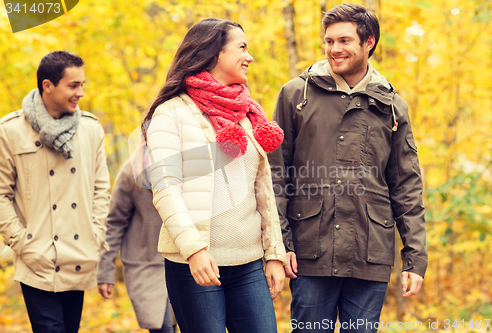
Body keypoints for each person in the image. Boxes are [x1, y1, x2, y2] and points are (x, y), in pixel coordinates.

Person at [268, 4, 427, 333]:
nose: (334, 49)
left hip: (370, 251)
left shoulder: (392, 106)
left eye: (344, 41)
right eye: (328, 41)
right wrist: (281, 245)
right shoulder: (296, 94)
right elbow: (275, 174)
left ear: (369, 42)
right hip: (310, 250)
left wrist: (415, 258)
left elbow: (406, 185)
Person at [142, 18, 287, 333]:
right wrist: (194, 250)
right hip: (195, 264)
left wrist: (274, 252)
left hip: (249, 264)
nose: (250, 57)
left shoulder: (249, 113)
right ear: (213, 53)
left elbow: (262, 189)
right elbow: (166, 188)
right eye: (242, 47)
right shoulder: (172, 113)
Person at [0, 51, 110, 333]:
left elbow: (101, 189)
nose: (81, 93)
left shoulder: (91, 129)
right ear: (47, 85)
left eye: (82, 85)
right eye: (73, 86)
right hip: (36, 258)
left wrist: (95, 234)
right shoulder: (10, 131)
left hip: (79, 254)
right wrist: (22, 242)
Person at [97, 143, 174, 333]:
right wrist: (105, 271)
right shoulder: (131, 172)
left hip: (180, 263)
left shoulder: (185, 166)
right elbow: (114, 223)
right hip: (144, 265)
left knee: (177, 326)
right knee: (162, 328)